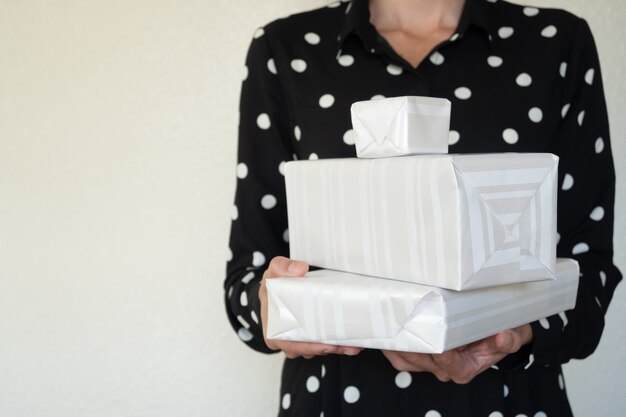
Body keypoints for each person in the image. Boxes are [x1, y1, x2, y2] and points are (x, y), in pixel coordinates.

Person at [224, 0, 622, 415]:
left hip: (508, 400)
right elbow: (244, 286)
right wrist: (276, 307)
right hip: (337, 400)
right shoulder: (283, 50)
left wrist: (515, 332)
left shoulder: (557, 43)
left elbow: (587, 275)